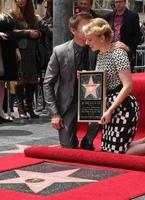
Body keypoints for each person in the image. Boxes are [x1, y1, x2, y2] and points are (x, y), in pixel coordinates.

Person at [82, 18, 145, 155]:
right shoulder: (100, 54)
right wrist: (87, 78)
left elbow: (128, 85)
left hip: (123, 107)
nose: (87, 43)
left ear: (101, 37)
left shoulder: (118, 53)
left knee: (117, 153)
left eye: (89, 39)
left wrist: (110, 110)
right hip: (111, 106)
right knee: (109, 149)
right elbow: (104, 80)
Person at [43, 12, 96, 148]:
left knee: (88, 143)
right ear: (73, 30)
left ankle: (87, 141)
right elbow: (48, 84)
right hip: (68, 104)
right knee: (68, 147)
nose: (91, 30)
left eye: (92, 26)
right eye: (86, 27)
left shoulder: (98, 48)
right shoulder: (59, 51)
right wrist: (54, 113)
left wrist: (121, 46)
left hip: (93, 101)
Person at [9, 0, 40, 119]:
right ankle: (21, 107)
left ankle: (29, 107)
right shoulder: (11, 14)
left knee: (32, 79)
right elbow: (11, 32)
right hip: (20, 50)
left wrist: (37, 33)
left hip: (32, 50)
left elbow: (39, 32)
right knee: (21, 79)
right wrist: (27, 33)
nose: (21, 1)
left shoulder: (32, 15)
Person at [105, 0, 142, 72]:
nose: (118, 4)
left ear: (125, 2)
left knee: (125, 78)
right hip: (111, 52)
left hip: (126, 52)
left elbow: (137, 35)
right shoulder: (109, 16)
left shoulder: (133, 16)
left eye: (120, 2)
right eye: (116, 2)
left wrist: (130, 49)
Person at [0, 10, 20, 123]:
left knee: (2, 82)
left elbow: (12, 32)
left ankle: (1, 112)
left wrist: (16, 49)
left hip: (6, 49)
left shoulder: (7, 14)